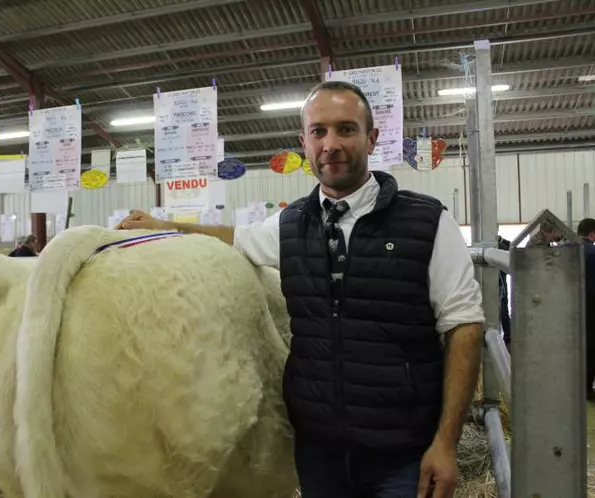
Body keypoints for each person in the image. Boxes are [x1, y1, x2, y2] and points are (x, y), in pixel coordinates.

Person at [117, 81, 484, 498]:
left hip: (404, 454)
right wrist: (165, 226)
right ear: (304, 143)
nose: (331, 144)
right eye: (318, 132)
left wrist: (446, 443)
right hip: (318, 452)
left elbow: (464, 329)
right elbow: (233, 236)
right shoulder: (291, 225)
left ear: (372, 138)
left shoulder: (428, 222)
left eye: (346, 129)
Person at [577, 218, 595, 400]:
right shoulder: (593, 252)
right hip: (591, 306)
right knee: (591, 347)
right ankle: (588, 388)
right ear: (591, 234)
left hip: (571, 304)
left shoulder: (567, 250)